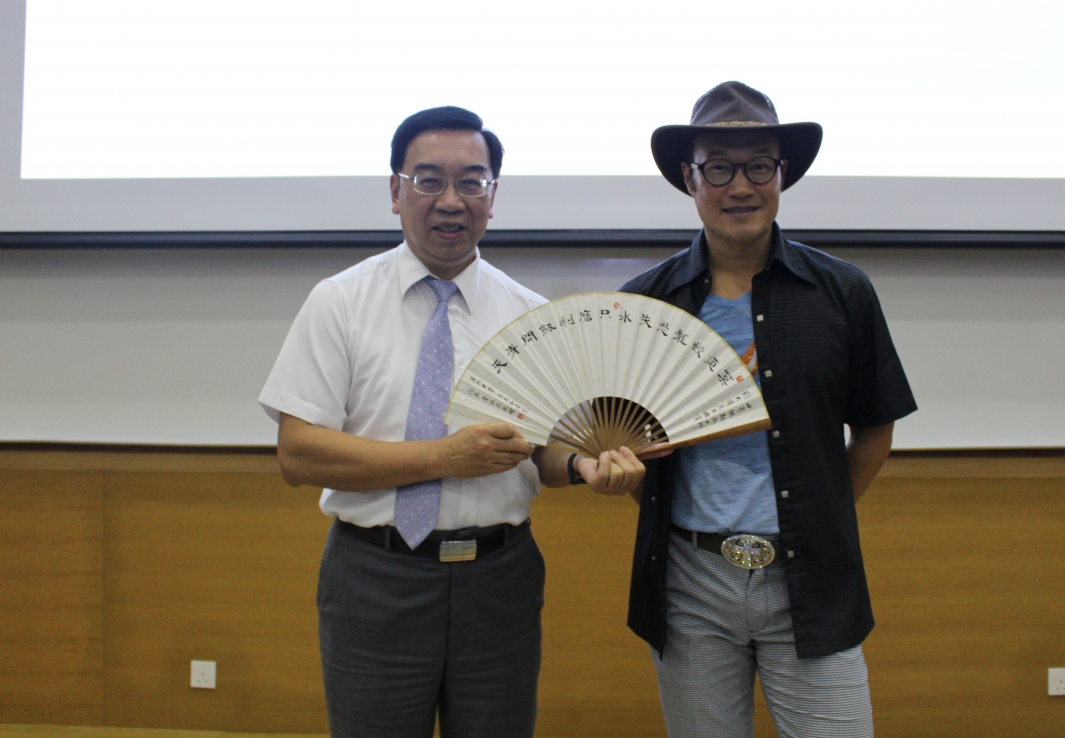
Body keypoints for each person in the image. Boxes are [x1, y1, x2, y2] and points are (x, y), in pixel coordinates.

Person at [258, 106, 644, 738]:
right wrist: (444, 458)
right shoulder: (340, 302)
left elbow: (539, 454)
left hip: (499, 581)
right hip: (375, 578)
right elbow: (298, 455)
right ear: (396, 192)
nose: (450, 201)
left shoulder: (528, 315)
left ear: (493, 196)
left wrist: (582, 467)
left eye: (471, 182)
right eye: (429, 180)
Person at [620, 81, 918, 738]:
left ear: (782, 175)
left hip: (811, 574)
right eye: (719, 169)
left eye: (759, 166)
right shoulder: (646, 303)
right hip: (689, 579)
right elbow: (627, 441)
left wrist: (819, 513)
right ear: (689, 177)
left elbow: (875, 428)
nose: (740, 187)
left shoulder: (842, 292)